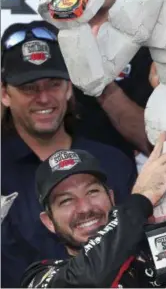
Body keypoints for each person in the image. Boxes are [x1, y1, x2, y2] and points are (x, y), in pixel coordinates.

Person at [1, 21, 137, 288]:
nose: (43, 98)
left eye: (53, 83)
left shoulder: (113, 162)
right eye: (29, 88)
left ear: (68, 88)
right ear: (5, 94)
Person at [20, 140, 166, 288]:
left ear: (111, 198)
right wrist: (141, 198)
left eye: (92, 192)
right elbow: (89, 279)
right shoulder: (41, 277)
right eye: (66, 201)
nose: (84, 208)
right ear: (49, 222)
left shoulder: (159, 252)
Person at [56, 0, 155, 160]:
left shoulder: (147, 48)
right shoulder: (38, 41)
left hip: (125, 183)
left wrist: (98, 78)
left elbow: (153, 143)